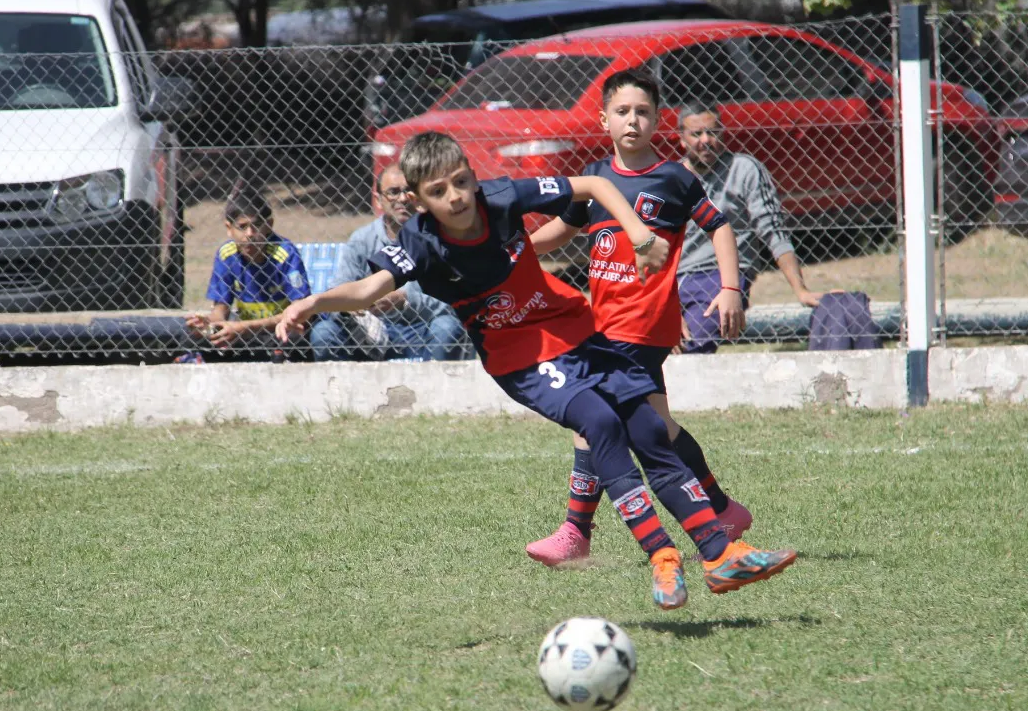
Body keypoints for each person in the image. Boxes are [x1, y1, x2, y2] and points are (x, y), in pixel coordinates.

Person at [276, 131, 796, 611]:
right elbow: (368, 291)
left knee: (647, 425)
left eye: (462, 180)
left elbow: (592, 184)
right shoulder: (420, 243)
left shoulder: (502, 198)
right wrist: (312, 302)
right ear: (417, 199)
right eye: (439, 190)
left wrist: (637, 232)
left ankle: (717, 553)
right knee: (600, 421)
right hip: (518, 356)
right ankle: (663, 559)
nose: (456, 196)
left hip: (572, 327)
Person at [526, 70, 756, 568]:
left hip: (641, 325)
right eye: (623, 111)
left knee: (590, 423)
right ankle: (722, 509)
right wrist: (512, 252)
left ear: (658, 121)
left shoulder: (673, 179)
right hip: (604, 325)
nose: (633, 120)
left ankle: (576, 532)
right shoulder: (595, 178)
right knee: (658, 426)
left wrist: (730, 287)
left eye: (644, 112)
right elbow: (560, 231)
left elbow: (720, 228)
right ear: (604, 119)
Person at [675, 100, 821, 353]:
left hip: (721, 276)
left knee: (693, 342)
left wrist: (801, 290)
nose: (705, 141)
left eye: (713, 132)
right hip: (674, 281)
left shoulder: (744, 169)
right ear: (681, 139)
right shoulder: (671, 177)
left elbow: (773, 230)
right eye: (696, 134)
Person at [310, 164, 469, 361]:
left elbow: (454, 303)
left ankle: (435, 391)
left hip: (421, 329)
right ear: (378, 200)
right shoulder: (362, 239)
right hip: (367, 333)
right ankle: (338, 391)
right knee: (324, 333)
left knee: (447, 327)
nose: (402, 199)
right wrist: (354, 306)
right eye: (393, 192)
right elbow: (337, 288)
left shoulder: (438, 238)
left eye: (408, 190)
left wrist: (404, 299)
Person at [185, 189, 311, 360]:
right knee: (195, 339)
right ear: (229, 228)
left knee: (292, 340)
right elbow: (220, 310)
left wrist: (244, 327)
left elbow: (300, 314)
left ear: (269, 225)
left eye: (257, 226)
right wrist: (208, 324)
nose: (250, 234)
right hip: (245, 333)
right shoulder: (226, 255)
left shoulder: (285, 254)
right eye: (242, 227)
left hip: (278, 330)